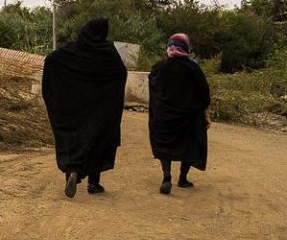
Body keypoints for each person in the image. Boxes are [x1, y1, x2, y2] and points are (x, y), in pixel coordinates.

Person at [42, 17, 127, 198]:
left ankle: (72, 173)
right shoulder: (108, 52)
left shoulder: (70, 50)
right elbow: (121, 73)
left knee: (73, 140)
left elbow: (51, 60)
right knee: (98, 142)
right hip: (100, 111)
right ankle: (93, 184)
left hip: (73, 109)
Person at [148, 33, 211, 195]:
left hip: (164, 116)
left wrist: (157, 111)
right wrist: (206, 114)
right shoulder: (193, 68)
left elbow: (154, 91)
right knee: (188, 145)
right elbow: (204, 93)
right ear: (185, 48)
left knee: (165, 145)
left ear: (169, 48)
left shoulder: (159, 68)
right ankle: (182, 179)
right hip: (188, 118)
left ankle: (166, 176)